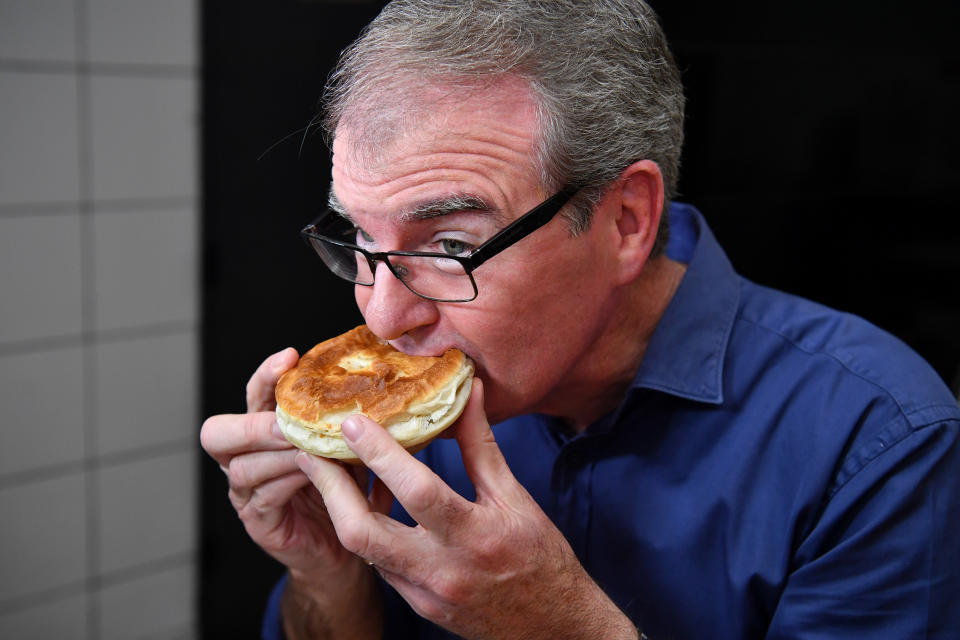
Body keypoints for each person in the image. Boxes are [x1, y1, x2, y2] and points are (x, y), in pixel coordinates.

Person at [200, 1, 960, 638]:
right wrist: (329, 579)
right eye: (363, 241)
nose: (385, 315)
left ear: (626, 220)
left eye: (453, 244)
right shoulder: (403, 418)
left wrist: (563, 627)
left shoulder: (880, 440)